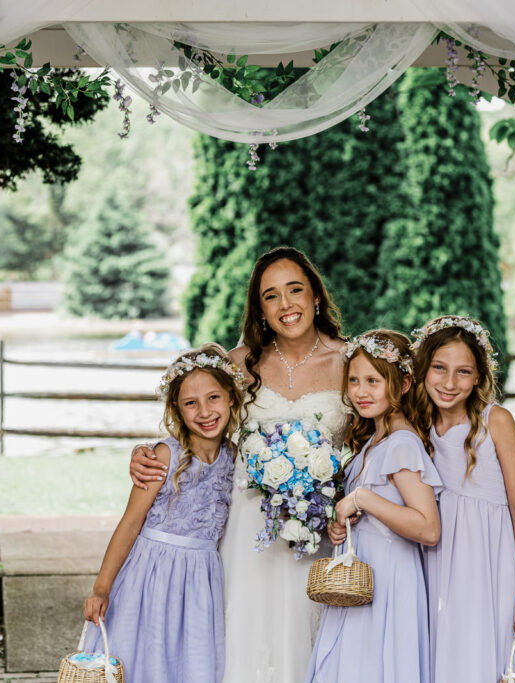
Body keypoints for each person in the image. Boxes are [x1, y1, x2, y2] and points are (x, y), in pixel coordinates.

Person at [130, 246, 352, 683]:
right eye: (271, 296)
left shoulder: (349, 360)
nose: (286, 305)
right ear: (260, 308)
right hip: (247, 531)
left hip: (317, 530)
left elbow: (382, 432)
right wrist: (149, 453)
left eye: (295, 290)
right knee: (244, 641)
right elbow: (198, 420)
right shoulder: (238, 364)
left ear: (316, 296)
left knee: (309, 635)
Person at [81, 344, 244, 683]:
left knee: (188, 662)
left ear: (231, 397)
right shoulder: (163, 456)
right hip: (151, 577)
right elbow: (130, 522)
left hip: (201, 583)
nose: (204, 411)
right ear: (176, 409)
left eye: (213, 398)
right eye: (190, 403)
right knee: (146, 656)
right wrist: (101, 587)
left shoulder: (236, 458)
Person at [410, 316, 515, 682]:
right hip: (438, 564)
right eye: (439, 368)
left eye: (463, 372)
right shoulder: (416, 430)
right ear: (424, 368)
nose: (449, 382)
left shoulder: (496, 422)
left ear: (478, 378)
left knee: (492, 655)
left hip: (491, 562)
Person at [306, 330, 441, 683]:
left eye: (373, 380)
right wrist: (342, 525)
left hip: (389, 578)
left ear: (404, 382)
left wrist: (363, 499)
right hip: (361, 574)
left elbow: (428, 528)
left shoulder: (402, 444)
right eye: (353, 380)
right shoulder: (373, 442)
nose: (361, 391)